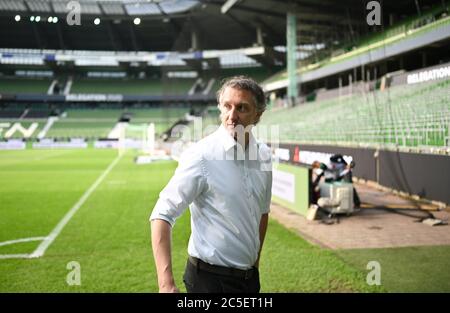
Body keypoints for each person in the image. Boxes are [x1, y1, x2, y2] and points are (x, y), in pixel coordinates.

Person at [150, 76, 272, 293]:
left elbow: (262, 213)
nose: (232, 116)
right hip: (209, 282)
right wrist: (165, 284)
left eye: (242, 108)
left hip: (249, 280)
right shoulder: (201, 155)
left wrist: (255, 263)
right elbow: (162, 214)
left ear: (258, 114)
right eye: (227, 106)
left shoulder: (263, 155)